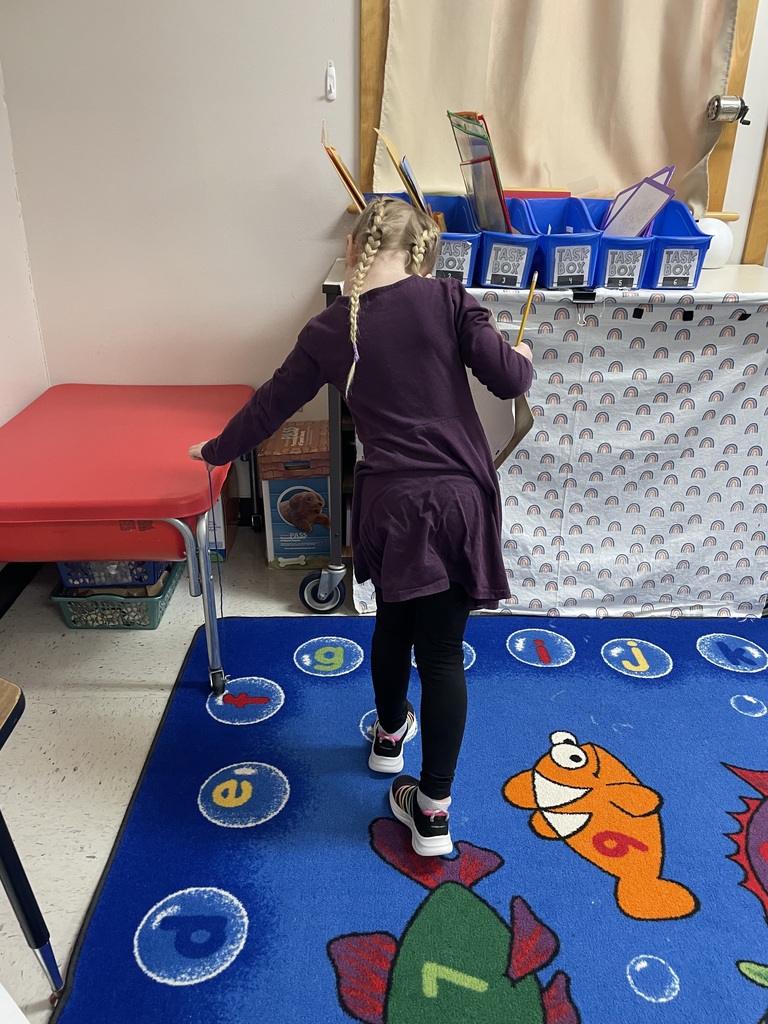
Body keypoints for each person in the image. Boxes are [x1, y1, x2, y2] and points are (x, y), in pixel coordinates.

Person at [189, 196, 533, 857]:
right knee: (439, 655)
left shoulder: (327, 329)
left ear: (354, 253)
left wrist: (215, 452)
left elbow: (268, 408)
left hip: (392, 507)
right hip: (458, 500)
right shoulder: (450, 299)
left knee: (393, 625)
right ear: (420, 252)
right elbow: (509, 377)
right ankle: (432, 810)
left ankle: (388, 737)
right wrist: (518, 349)